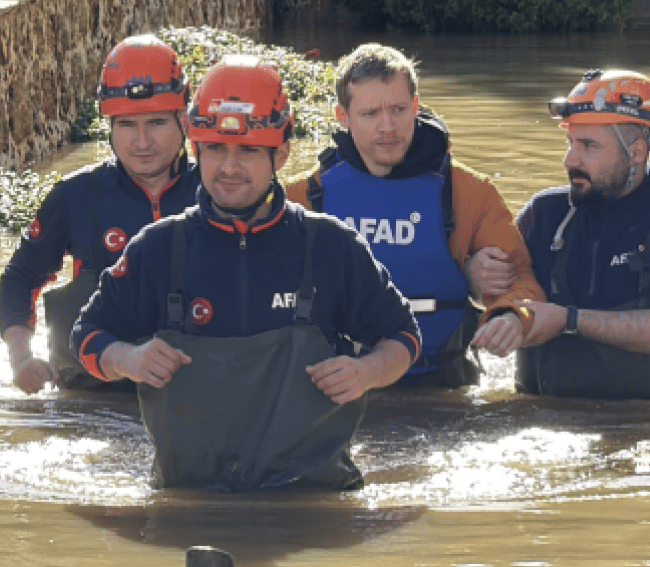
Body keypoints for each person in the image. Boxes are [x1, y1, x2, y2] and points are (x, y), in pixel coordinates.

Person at [70, 54, 421, 491]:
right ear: (195, 148)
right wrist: (128, 359)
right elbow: (85, 336)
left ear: (282, 153)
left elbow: (404, 338)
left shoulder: (331, 245)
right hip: (188, 503)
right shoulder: (158, 248)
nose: (229, 168)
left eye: (249, 151)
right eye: (215, 148)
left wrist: (367, 371)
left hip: (313, 506)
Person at [285, 43, 544, 387]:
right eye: (371, 114)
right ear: (342, 117)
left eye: (399, 109)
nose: (388, 126)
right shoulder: (304, 196)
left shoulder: (466, 191)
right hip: (337, 383)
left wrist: (511, 315)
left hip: (442, 381)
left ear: (417, 107)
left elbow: (523, 278)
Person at [0, 35, 200, 394]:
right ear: (108, 126)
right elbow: (20, 277)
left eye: (156, 123)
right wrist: (21, 358)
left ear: (184, 119)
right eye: (126, 125)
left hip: (191, 399)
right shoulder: (77, 195)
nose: (141, 142)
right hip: (91, 399)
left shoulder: (216, 193)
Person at [513, 69, 650, 400]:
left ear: (636, 152)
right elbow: (488, 282)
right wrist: (478, 272)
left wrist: (568, 320)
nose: (570, 159)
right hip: (548, 425)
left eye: (589, 146)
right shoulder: (544, 214)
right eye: (570, 143)